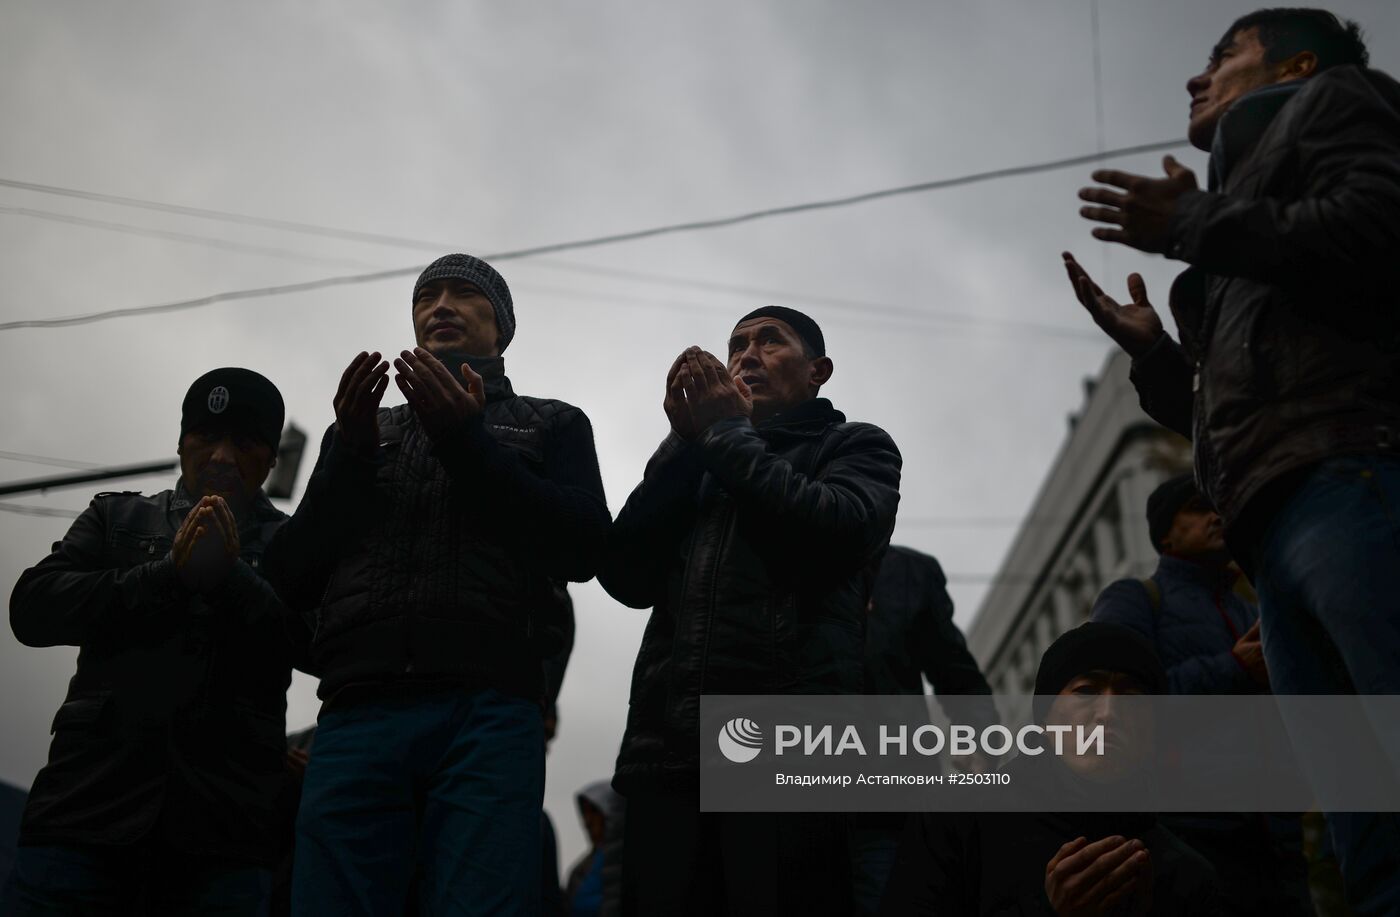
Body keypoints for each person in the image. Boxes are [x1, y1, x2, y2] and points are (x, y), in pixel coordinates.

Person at [1061, 8, 1400, 911]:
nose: (1194, 78)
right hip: (1278, 523)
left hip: (1354, 477)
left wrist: (1196, 223)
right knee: (1362, 815)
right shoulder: (1236, 224)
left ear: (1293, 62)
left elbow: (1376, 230)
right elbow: (1228, 418)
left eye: (1223, 54)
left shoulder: (1339, 100)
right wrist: (1158, 358)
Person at [263, 253, 610, 916]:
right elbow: (290, 573)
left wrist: (466, 442)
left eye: (463, 294)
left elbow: (584, 546)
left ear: (502, 329)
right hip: (357, 710)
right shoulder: (361, 432)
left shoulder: (553, 422)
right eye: (428, 296)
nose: (440, 305)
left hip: (490, 712)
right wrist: (352, 458)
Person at [602, 305, 902, 916]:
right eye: (737, 344)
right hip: (667, 753)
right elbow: (625, 575)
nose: (746, 354)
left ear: (818, 371)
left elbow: (833, 529)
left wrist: (722, 435)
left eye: (770, 341)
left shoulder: (855, 445)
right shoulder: (699, 460)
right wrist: (683, 444)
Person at [3, 368, 304, 916]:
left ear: (270, 459)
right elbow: (32, 609)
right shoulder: (115, 516)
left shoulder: (294, 547)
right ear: (182, 440)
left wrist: (234, 578)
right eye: (206, 436)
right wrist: (166, 576)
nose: (220, 456)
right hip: (83, 814)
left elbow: (315, 644)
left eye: (244, 442)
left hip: (223, 838)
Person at [880, 622, 1222, 916]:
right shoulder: (955, 816)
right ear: (1044, 717)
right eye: (1086, 690)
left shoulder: (1186, 874)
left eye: (1132, 697)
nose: (1108, 712)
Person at [1092, 473, 1313, 915]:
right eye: (1197, 508)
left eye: (1219, 507)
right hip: (1189, 835)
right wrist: (1233, 669)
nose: (1216, 517)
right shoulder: (1136, 598)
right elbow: (1114, 708)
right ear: (1165, 536)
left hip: (1278, 842)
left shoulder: (1252, 609)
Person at [854, 544, 998, 916]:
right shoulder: (772, 562)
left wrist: (981, 747)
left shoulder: (906, 574)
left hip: (888, 811)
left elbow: (959, 679)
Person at [564, 780, 626, 917]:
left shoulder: (626, 860)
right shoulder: (580, 871)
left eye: (593, 811)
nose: (587, 821)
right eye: (584, 812)